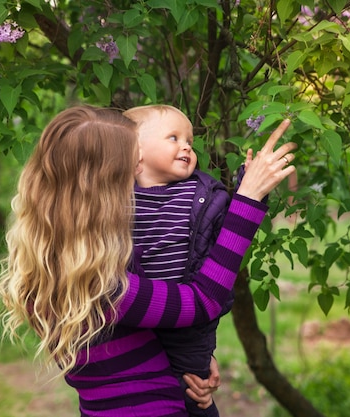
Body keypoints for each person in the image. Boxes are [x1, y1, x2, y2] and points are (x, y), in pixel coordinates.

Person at [0, 104, 297, 417]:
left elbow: (141, 336)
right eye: (134, 163)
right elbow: (202, 302)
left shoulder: (56, 267)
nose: (140, 171)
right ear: (105, 185)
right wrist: (247, 199)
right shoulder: (103, 286)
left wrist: (192, 358)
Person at [123, 104, 235, 417]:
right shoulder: (117, 198)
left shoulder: (200, 194)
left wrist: (247, 193)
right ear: (136, 150)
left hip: (191, 321)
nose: (186, 145)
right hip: (138, 316)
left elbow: (224, 243)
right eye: (173, 137)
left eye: (189, 139)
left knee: (194, 391)